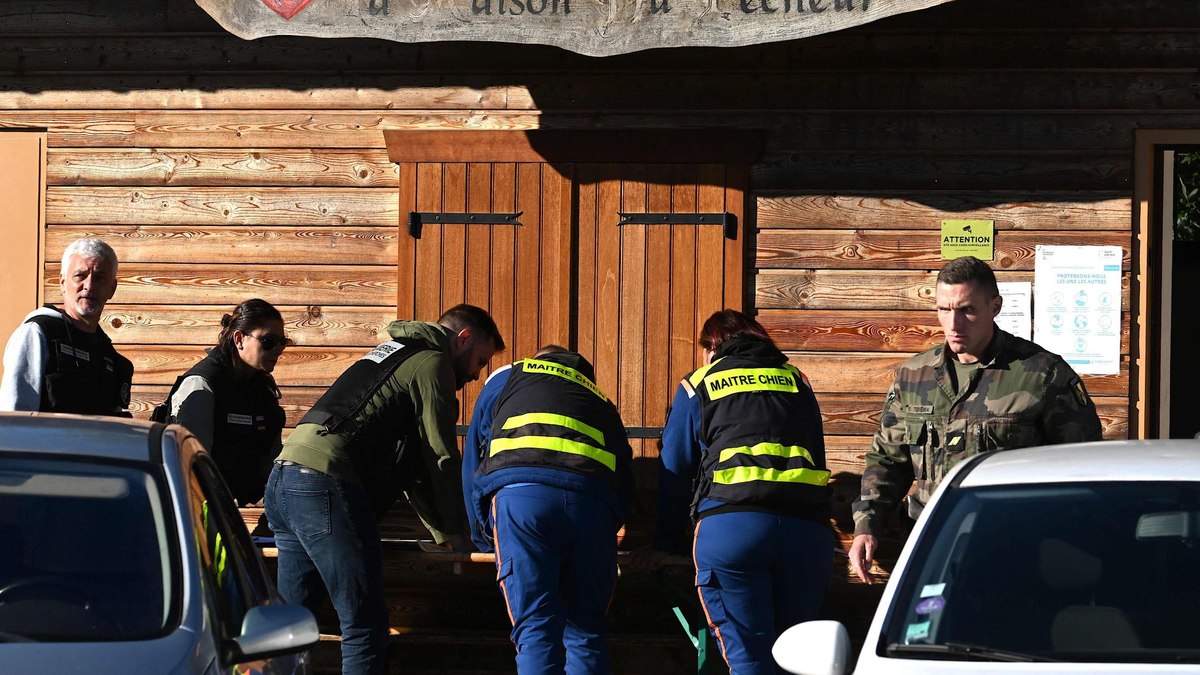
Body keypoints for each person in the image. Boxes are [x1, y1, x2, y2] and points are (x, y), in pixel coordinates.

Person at [264, 303, 503, 675]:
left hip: (284, 478)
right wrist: (457, 532)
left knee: (293, 627)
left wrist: (443, 531)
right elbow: (438, 457)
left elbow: (411, 468)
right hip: (324, 483)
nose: (476, 374)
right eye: (480, 360)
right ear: (463, 339)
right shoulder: (432, 362)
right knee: (365, 626)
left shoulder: (391, 353)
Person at [849, 256, 1104, 584]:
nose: (954, 324)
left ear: (994, 306)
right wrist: (867, 526)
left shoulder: (1042, 375)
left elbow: (1083, 466)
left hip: (1015, 550)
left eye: (967, 309)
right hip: (933, 546)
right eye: (944, 309)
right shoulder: (914, 376)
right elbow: (887, 460)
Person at [630, 310, 833, 675]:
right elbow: (815, 454)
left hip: (733, 528)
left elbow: (676, 468)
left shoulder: (699, 383)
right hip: (808, 533)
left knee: (749, 659)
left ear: (712, 346)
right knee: (794, 659)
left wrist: (665, 542)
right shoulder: (797, 379)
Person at [463, 345, 634, 675]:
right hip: (592, 506)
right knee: (587, 633)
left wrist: (482, 537)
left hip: (522, 499)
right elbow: (624, 477)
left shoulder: (506, 376)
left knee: (536, 633)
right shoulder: (599, 398)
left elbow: (475, 458)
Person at [159, 299, 288, 507]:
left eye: (283, 341)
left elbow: (270, 459)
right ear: (240, 339)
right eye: (269, 341)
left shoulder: (262, 387)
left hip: (251, 515)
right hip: (207, 514)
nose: (278, 349)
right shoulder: (201, 385)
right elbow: (191, 470)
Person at [0, 238, 133, 415]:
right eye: (80, 276)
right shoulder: (38, 333)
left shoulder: (107, 354)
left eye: (100, 277)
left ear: (112, 289)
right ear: (62, 282)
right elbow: (15, 417)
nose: (89, 285)